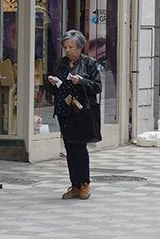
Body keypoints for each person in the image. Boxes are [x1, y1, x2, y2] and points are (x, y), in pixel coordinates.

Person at [45, 30, 102, 201]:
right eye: (65, 47)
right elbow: (53, 90)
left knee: (80, 146)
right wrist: (52, 83)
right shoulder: (61, 63)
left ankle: (85, 183)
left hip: (81, 110)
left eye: (71, 47)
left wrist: (82, 81)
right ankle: (74, 185)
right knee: (69, 147)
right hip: (64, 109)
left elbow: (97, 87)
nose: (68, 50)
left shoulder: (89, 63)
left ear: (79, 47)